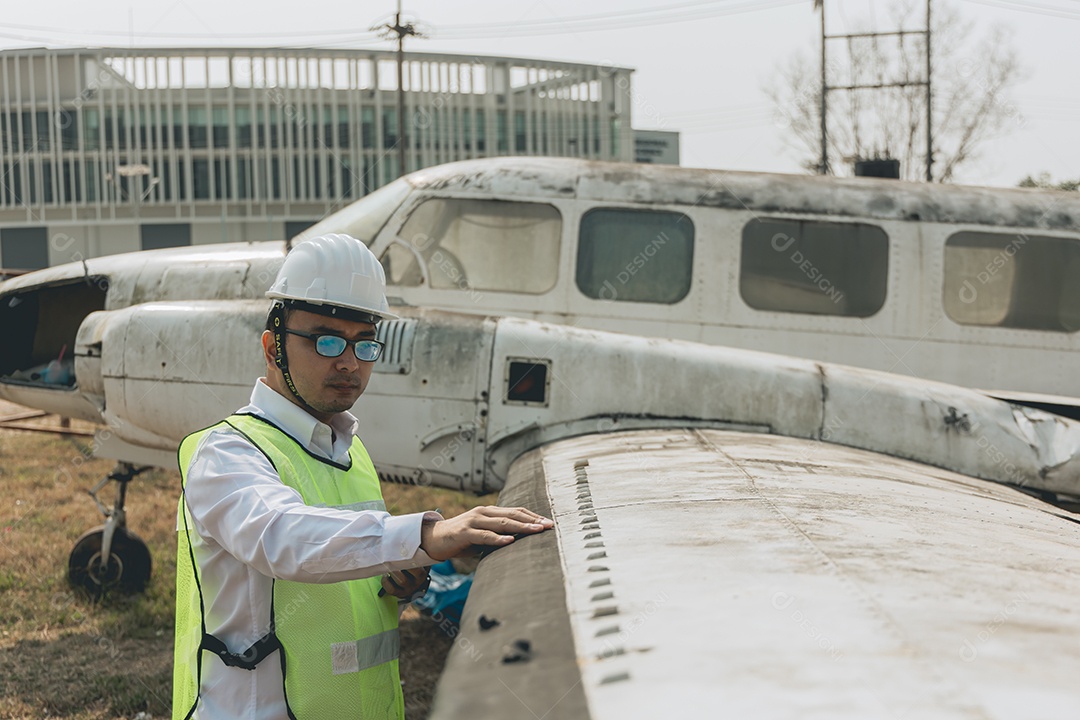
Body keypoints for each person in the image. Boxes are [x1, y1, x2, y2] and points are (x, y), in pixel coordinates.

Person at [172, 233, 552, 719]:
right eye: (326, 340)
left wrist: (400, 576)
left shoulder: (352, 454)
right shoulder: (226, 452)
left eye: (364, 343)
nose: (349, 362)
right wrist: (427, 534)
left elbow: (346, 565)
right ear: (273, 348)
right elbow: (283, 539)